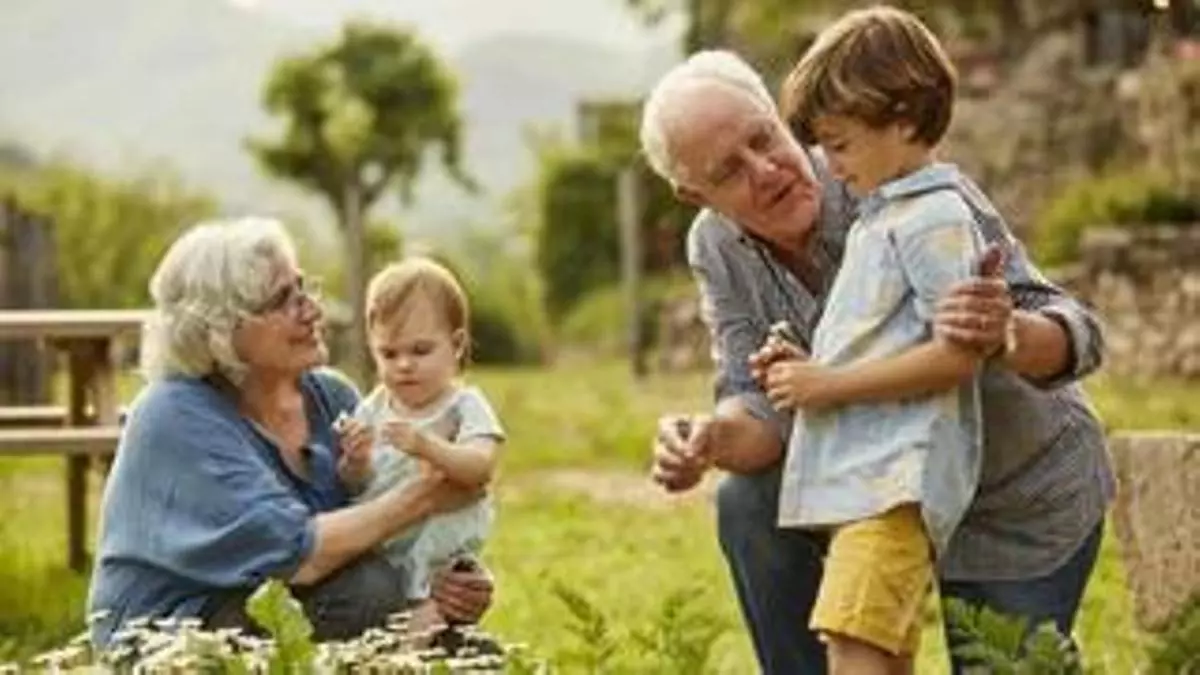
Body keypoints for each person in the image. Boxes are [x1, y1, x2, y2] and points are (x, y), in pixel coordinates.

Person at [639, 48, 1113, 674]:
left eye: (764, 138)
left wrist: (1009, 332)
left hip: (1010, 491)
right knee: (747, 501)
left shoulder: (896, 173)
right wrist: (708, 439)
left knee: (1009, 666)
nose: (767, 169)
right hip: (875, 492)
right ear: (692, 193)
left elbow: (1077, 330)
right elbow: (760, 404)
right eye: (729, 170)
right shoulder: (717, 245)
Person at [87, 218, 494, 648]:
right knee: (368, 594)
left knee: (475, 654)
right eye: (284, 299)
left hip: (298, 602)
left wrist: (452, 578)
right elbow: (298, 557)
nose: (312, 309)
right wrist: (429, 494)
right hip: (175, 635)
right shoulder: (174, 414)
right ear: (221, 329)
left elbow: (379, 518)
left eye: (304, 288)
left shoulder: (331, 396)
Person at [743, 8, 994, 672]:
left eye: (842, 143)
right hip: (865, 486)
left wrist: (827, 385)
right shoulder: (882, 216)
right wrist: (806, 367)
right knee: (869, 649)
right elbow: (886, 343)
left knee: (855, 649)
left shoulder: (934, 217)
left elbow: (958, 354)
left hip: (895, 484)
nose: (829, 163)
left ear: (906, 120)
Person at [342, 257, 505, 640]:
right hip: (384, 544)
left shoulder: (464, 406)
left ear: (457, 344)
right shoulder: (374, 406)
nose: (404, 366)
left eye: (420, 350)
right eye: (389, 353)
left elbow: (481, 467)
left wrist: (428, 446)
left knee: (426, 623)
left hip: (439, 552)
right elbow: (356, 484)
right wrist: (355, 461)